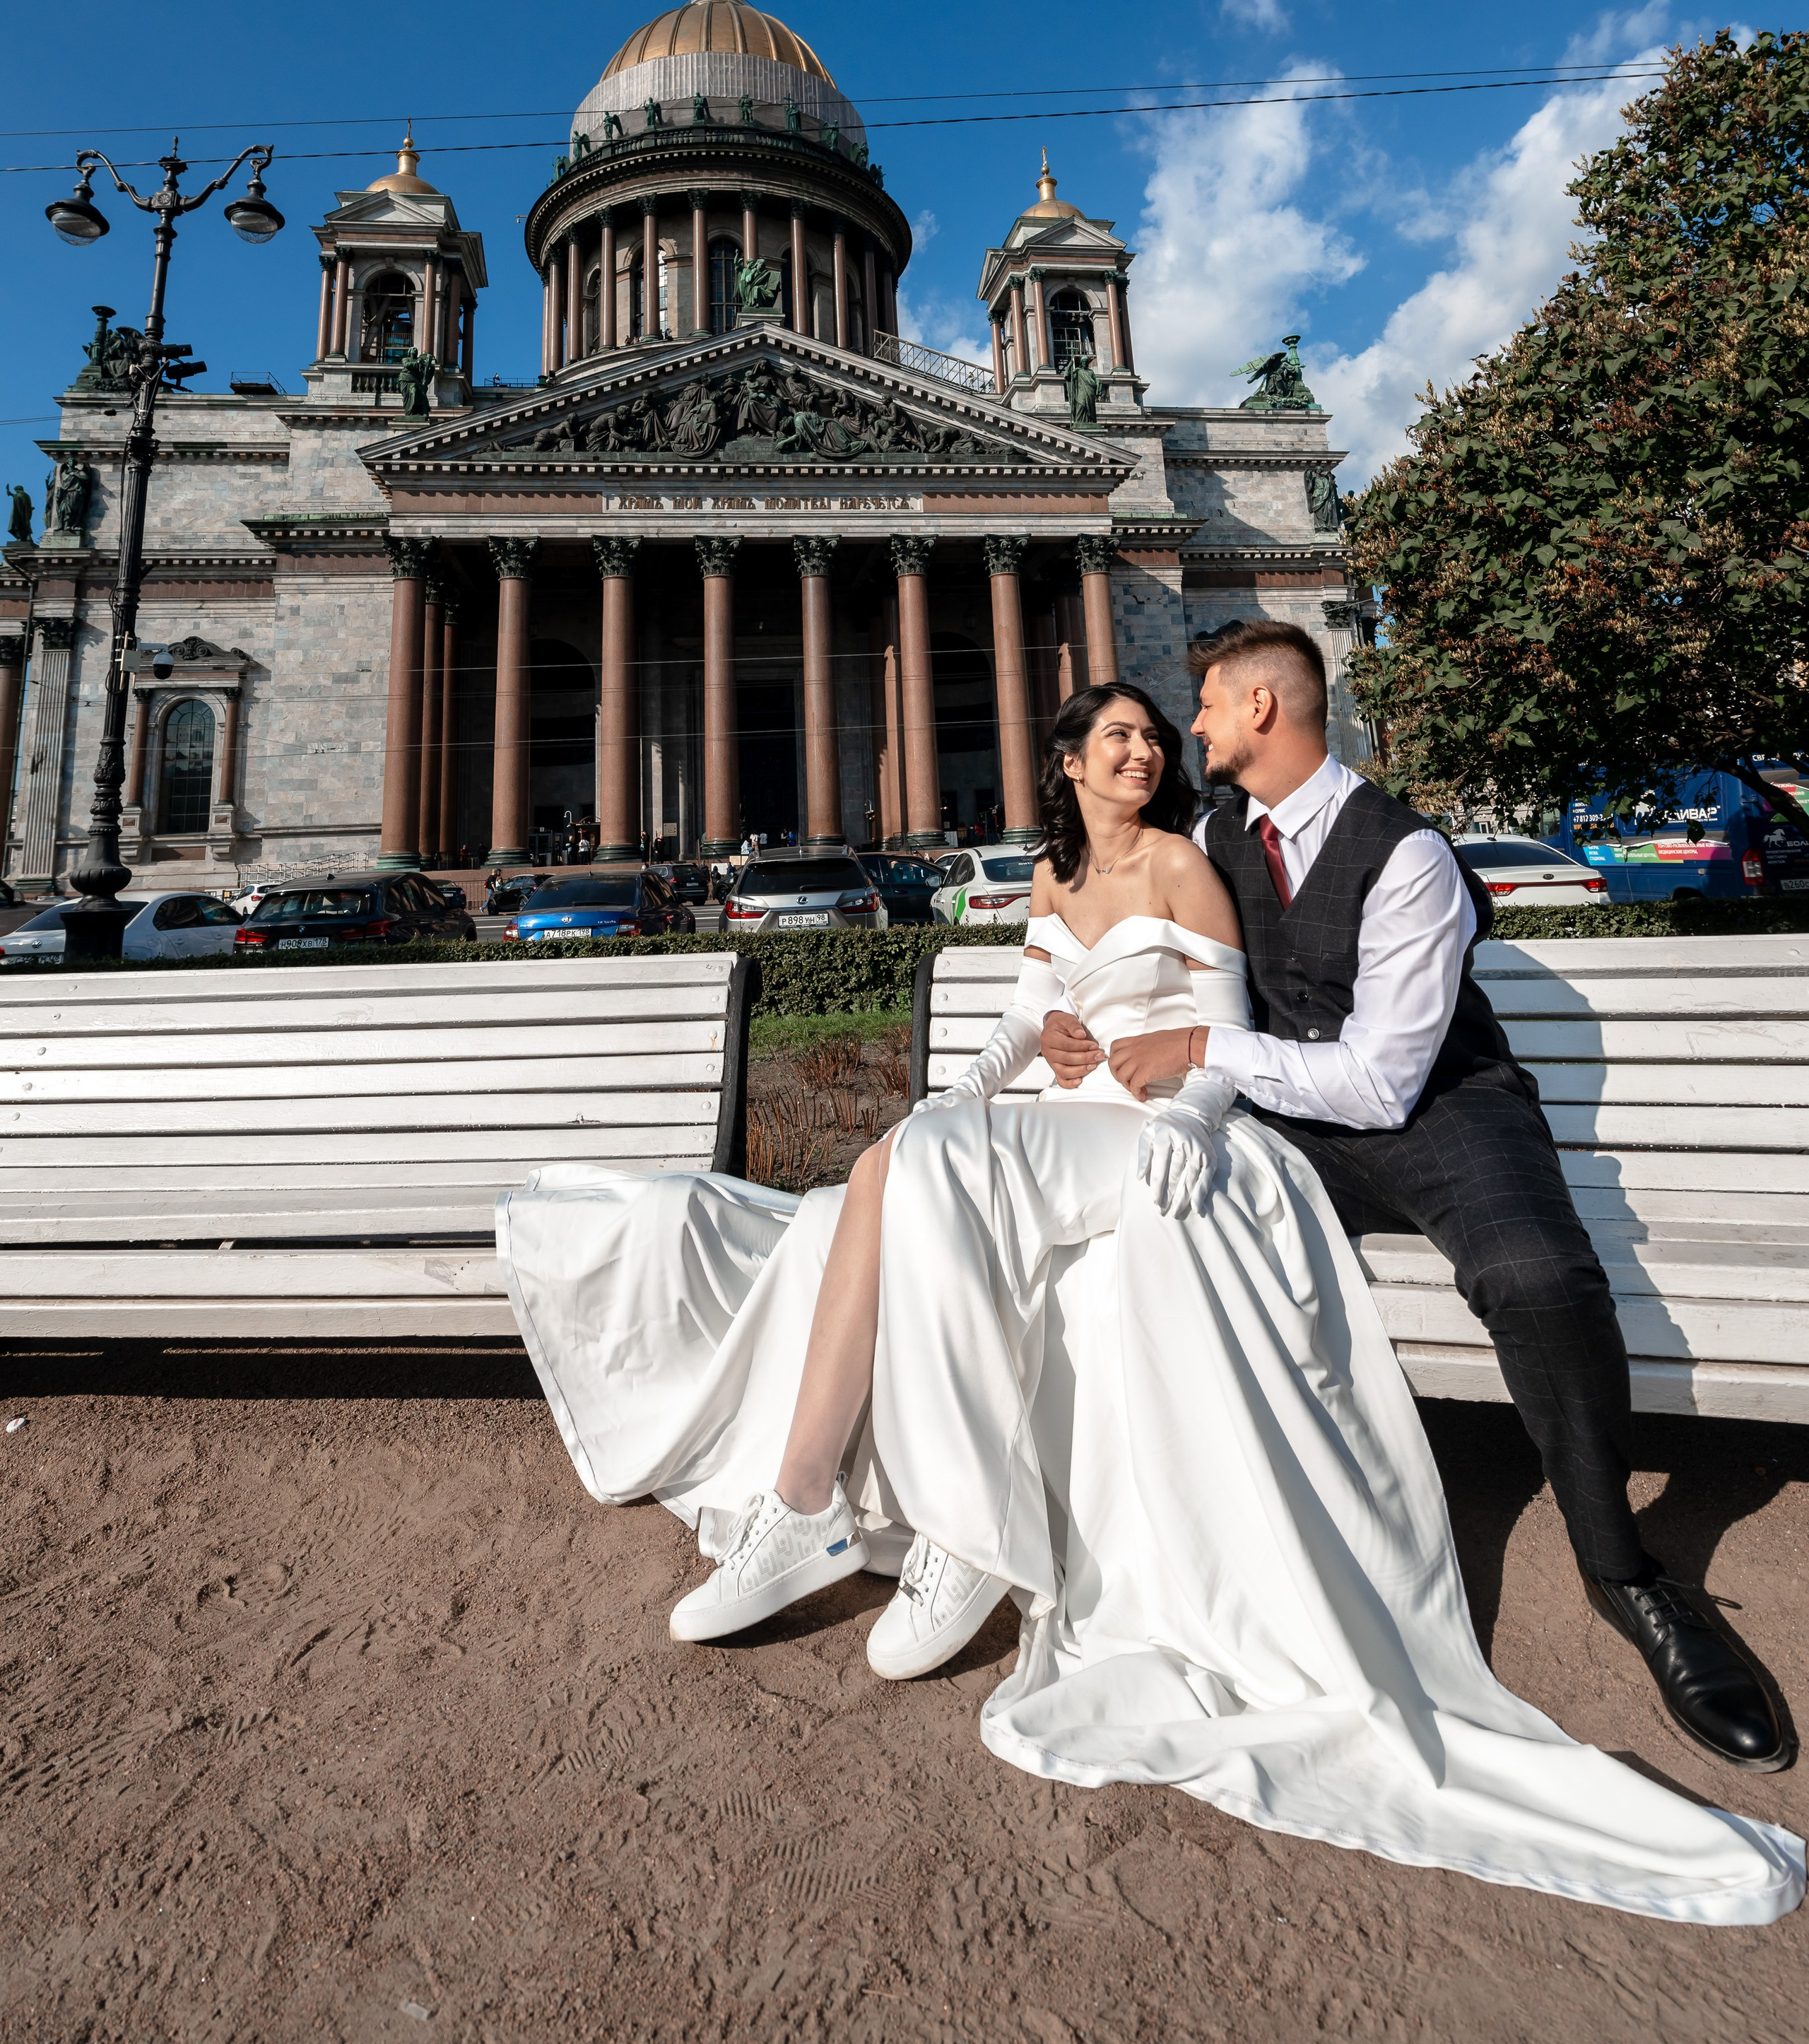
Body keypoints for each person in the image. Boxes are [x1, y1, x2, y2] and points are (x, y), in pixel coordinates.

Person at [500, 680, 1801, 1923]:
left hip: (1171, 1129)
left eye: (1156, 737)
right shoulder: (1054, 877)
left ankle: (966, 1529)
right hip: (1064, 1121)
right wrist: (977, 1079)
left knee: (915, 1171)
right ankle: (806, 1512)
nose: (1147, 754)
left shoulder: (1190, 861)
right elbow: (1025, 1017)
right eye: (1117, 739)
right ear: (1065, 765)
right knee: (875, 1182)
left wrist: (1185, 1105)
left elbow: (1225, 1028)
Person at [1042, 619, 1790, 1778]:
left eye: (1201, 705)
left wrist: (1205, 1049)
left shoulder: (1407, 856)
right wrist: (1076, 1018)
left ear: (1259, 711)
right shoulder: (1209, 831)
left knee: (1538, 1276)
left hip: (1440, 1110)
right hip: (1289, 1115)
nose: (1186, 727)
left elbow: (1386, 1079)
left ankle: (1626, 1572)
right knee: (1161, 1230)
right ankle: (1212, 1552)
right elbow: (1132, 942)